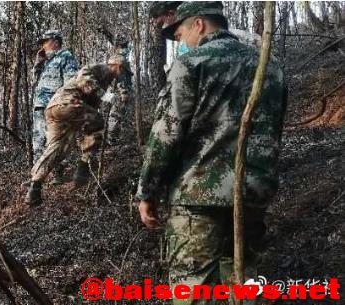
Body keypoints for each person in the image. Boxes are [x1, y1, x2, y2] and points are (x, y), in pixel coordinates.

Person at [135, 2, 287, 305]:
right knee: (243, 282)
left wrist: (146, 191)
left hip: (198, 197)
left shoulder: (192, 63)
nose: (181, 43)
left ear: (199, 24)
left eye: (180, 35)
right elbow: (274, 130)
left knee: (193, 287)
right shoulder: (270, 66)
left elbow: (167, 134)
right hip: (252, 194)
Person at [25, 56, 127, 206]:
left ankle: (35, 187)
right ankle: (83, 167)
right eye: (123, 70)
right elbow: (84, 78)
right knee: (98, 122)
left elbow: (91, 105)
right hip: (68, 104)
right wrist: (104, 95)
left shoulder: (107, 80)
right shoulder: (101, 68)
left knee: (58, 149)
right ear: (117, 66)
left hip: (55, 110)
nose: (123, 74)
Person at [31, 30, 79, 185]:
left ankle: (59, 174)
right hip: (40, 107)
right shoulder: (46, 62)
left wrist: (67, 104)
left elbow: (71, 83)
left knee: (55, 141)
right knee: (38, 142)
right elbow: (35, 83)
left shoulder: (66, 56)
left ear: (55, 42)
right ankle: (37, 178)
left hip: (54, 107)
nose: (43, 46)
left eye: (45, 42)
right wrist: (38, 64)